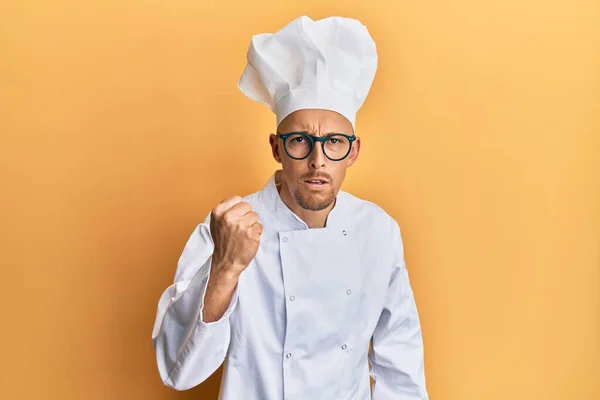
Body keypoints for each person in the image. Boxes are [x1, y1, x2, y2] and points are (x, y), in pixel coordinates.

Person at [152, 15, 429, 400]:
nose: (318, 160)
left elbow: (401, 363)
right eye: (300, 140)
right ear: (276, 147)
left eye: (334, 142)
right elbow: (178, 371)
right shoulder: (230, 227)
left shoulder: (378, 230)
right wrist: (226, 269)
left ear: (353, 152)